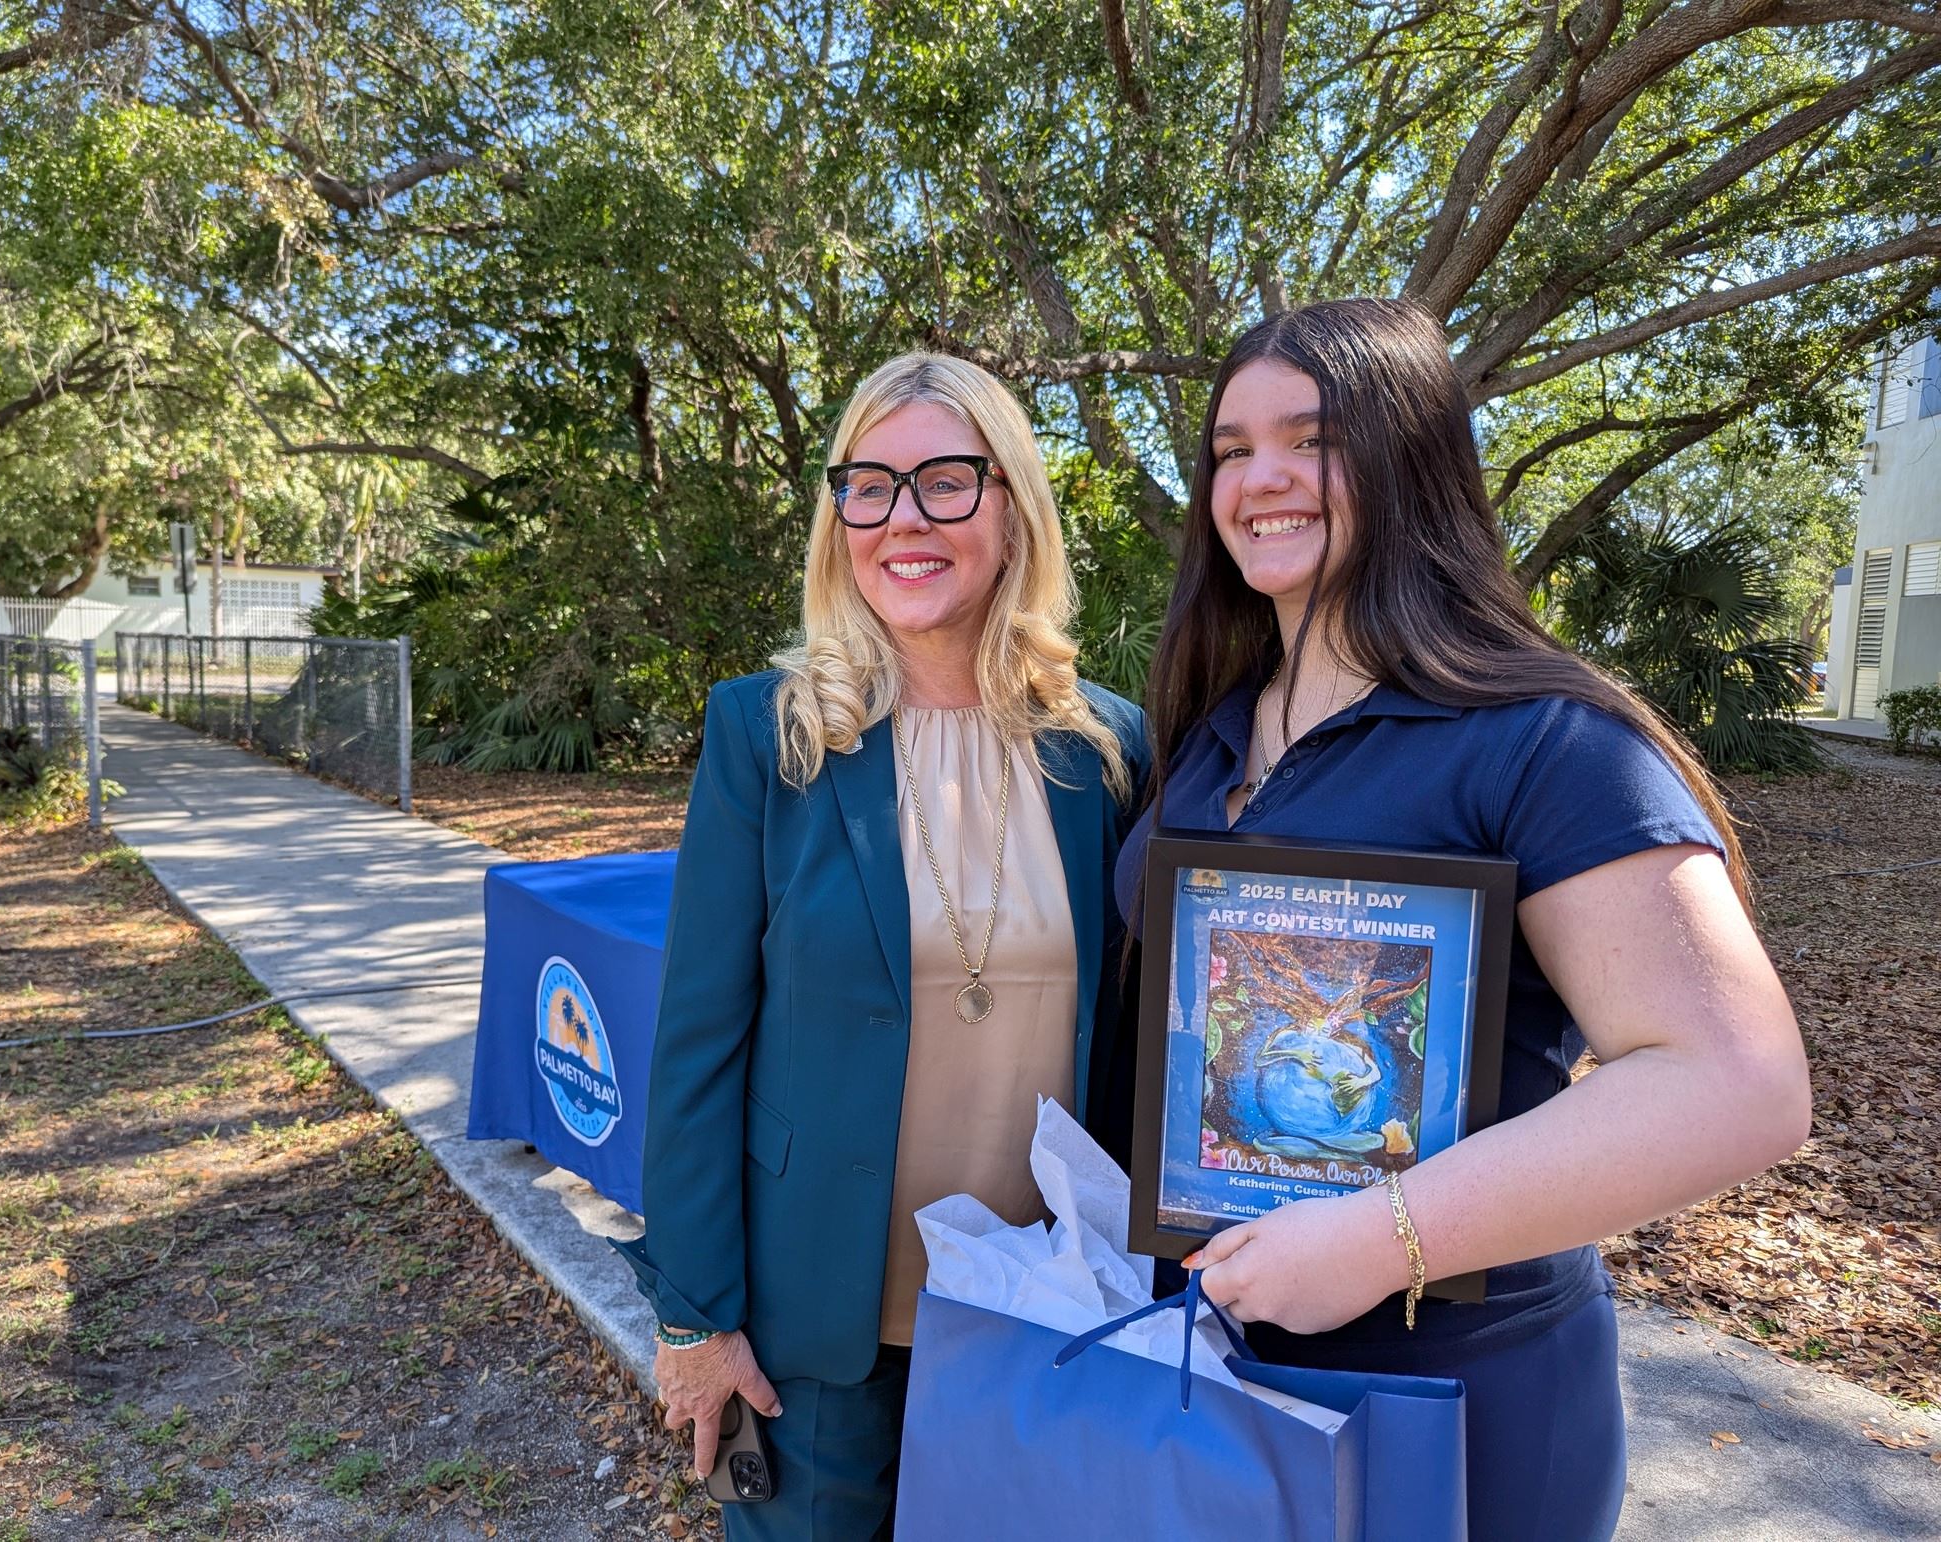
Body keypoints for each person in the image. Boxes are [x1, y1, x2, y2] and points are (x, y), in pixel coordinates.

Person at [1116, 298, 1811, 1541]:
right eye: (1229, 448)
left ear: (1408, 457)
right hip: (1205, 1363)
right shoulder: (1206, 731)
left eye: (1307, 438)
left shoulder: (1546, 739)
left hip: (1453, 1394)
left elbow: (1736, 1083)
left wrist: (1383, 1237)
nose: (1258, 478)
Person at [616, 351, 1149, 1539]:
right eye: (867, 486)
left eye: (946, 482)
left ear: (1011, 503)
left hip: (1044, 1311)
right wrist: (693, 1318)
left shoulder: (1107, 749)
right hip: (813, 1329)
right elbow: (699, 1038)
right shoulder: (767, 733)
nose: (902, 520)